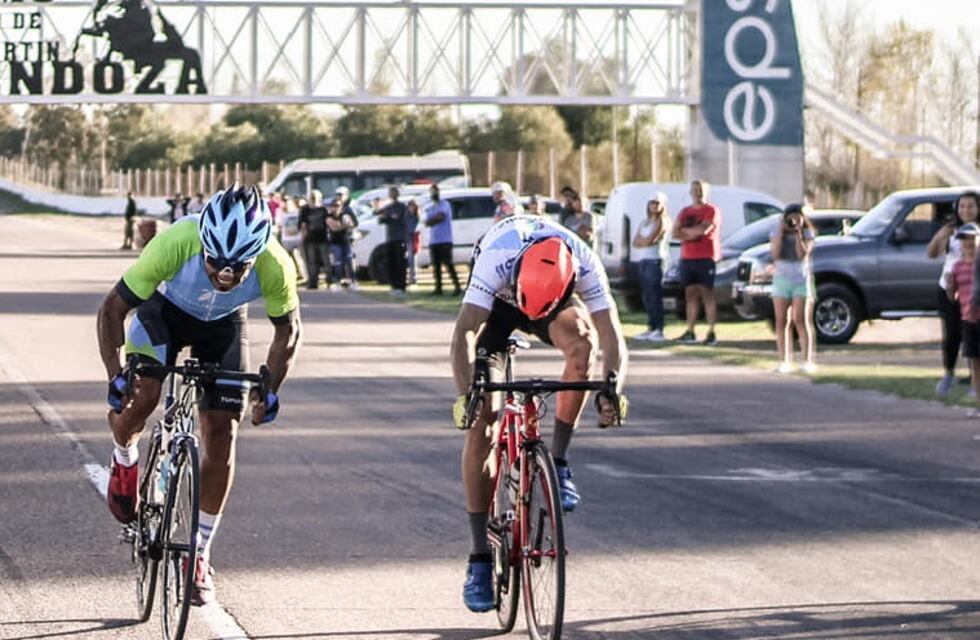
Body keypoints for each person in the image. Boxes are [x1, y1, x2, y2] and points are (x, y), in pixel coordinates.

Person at [96, 184, 302, 606]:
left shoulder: (276, 263)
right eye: (215, 263)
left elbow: (288, 331)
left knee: (223, 433)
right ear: (203, 243)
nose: (225, 276)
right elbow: (113, 309)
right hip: (164, 315)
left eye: (238, 268)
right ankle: (123, 456)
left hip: (223, 326)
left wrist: (271, 389)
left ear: (256, 254)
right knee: (145, 394)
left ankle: (199, 553)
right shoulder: (174, 241)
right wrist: (116, 375)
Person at [450, 215, 629, 613]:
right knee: (484, 420)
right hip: (499, 310)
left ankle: (559, 462)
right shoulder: (496, 258)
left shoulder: (583, 261)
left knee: (584, 342)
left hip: (551, 304)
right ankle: (479, 556)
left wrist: (612, 388)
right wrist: (468, 396)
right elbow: (463, 333)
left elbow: (612, 333)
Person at [929, 191, 980, 395]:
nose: (965, 210)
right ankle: (948, 374)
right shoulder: (951, 230)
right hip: (950, 287)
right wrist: (941, 236)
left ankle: (974, 380)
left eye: (970, 206)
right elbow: (931, 254)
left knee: (973, 336)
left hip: (974, 290)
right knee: (952, 335)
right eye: (961, 206)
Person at [672, 180, 721, 345]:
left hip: (705, 257)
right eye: (694, 190)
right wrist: (689, 233)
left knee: (707, 294)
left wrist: (687, 233)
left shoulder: (711, 210)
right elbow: (675, 232)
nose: (697, 193)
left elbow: (704, 230)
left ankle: (711, 332)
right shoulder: (685, 212)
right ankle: (690, 330)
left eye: (700, 190)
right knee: (690, 295)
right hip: (687, 257)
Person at [770, 203, 817, 373]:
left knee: (801, 319)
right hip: (781, 279)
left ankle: (807, 360)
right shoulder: (777, 232)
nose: (793, 221)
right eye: (790, 217)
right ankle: (784, 360)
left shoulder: (807, 233)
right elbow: (775, 254)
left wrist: (798, 234)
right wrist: (781, 232)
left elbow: (802, 255)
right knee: (782, 320)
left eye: (797, 217)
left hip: (800, 279)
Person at [631, 194, 671, 341]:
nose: (654, 206)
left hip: (655, 260)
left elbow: (651, 240)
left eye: (657, 203)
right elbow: (635, 242)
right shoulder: (644, 222)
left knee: (655, 295)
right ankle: (651, 327)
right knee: (647, 296)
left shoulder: (663, 221)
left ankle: (659, 329)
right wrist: (643, 242)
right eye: (651, 203)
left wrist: (644, 241)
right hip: (642, 261)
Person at [950, 223, 980, 411]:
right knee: (974, 363)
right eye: (964, 240)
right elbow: (953, 295)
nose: (968, 243)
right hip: (968, 319)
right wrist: (949, 285)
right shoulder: (957, 266)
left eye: (972, 239)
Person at [425, 183, 461, 295]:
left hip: (445, 240)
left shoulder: (444, 204)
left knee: (448, 264)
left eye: (435, 191)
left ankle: (457, 287)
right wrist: (431, 221)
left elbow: (440, 217)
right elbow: (427, 221)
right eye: (431, 192)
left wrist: (431, 220)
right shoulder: (431, 207)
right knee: (436, 266)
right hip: (434, 240)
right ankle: (438, 288)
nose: (433, 194)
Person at [376, 186, 409, 295]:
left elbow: (396, 218)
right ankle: (394, 286)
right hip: (390, 238)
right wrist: (386, 216)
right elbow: (381, 217)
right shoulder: (388, 207)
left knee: (400, 263)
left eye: (393, 192)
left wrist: (388, 217)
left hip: (400, 238)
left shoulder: (401, 206)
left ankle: (401, 286)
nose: (391, 194)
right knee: (392, 263)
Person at [299, 190, 330, 290]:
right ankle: (313, 283)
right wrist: (304, 237)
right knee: (312, 262)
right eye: (312, 197)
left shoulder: (323, 209)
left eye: (315, 197)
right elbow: (302, 225)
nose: (313, 199)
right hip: (310, 240)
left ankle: (329, 281)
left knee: (326, 261)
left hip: (322, 239)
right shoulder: (305, 210)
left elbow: (328, 223)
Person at [325, 197, 357, 290]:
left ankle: (353, 281)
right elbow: (334, 227)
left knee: (349, 261)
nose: (336, 207)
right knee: (338, 262)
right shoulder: (329, 217)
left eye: (338, 206)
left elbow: (351, 225)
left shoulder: (345, 215)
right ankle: (337, 282)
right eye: (334, 206)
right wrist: (344, 225)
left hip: (345, 241)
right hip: (335, 242)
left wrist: (344, 224)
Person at [406, 199, 421, 285]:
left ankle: (414, 278)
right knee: (410, 259)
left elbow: (416, 228)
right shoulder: (407, 216)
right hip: (408, 239)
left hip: (414, 239)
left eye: (412, 206)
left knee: (413, 259)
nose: (411, 208)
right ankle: (410, 277)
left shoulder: (417, 217)